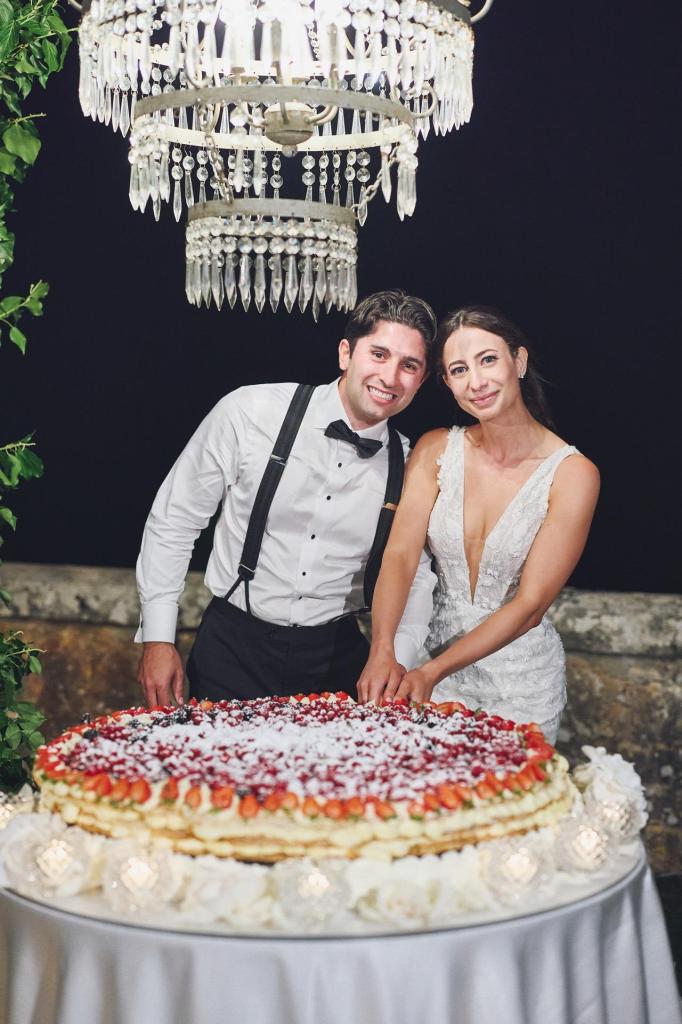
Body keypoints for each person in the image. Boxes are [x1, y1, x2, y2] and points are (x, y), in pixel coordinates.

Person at [135, 290, 437, 707]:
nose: (390, 377)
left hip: (337, 658)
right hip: (232, 649)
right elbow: (175, 519)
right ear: (345, 353)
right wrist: (158, 638)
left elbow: (416, 576)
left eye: (409, 366)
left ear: (421, 380)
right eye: (379, 354)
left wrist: (396, 659)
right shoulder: (251, 411)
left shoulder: (409, 463)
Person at [356, 306, 600, 742]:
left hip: (519, 686)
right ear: (448, 383)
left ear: (518, 361)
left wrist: (434, 671)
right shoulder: (435, 448)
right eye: (459, 370)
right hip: (426, 665)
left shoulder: (573, 473)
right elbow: (401, 554)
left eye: (488, 360)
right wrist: (383, 648)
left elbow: (530, 605)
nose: (477, 382)